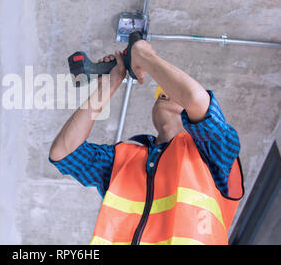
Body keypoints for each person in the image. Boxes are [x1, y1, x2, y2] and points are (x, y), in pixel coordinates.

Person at [49, 38, 244, 245]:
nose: (164, 92)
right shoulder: (125, 159)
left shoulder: (215, 150)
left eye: (172, 91)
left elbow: (196, 99)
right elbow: (64, 152)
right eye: (162, 92)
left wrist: (143, 56)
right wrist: (108, 86)